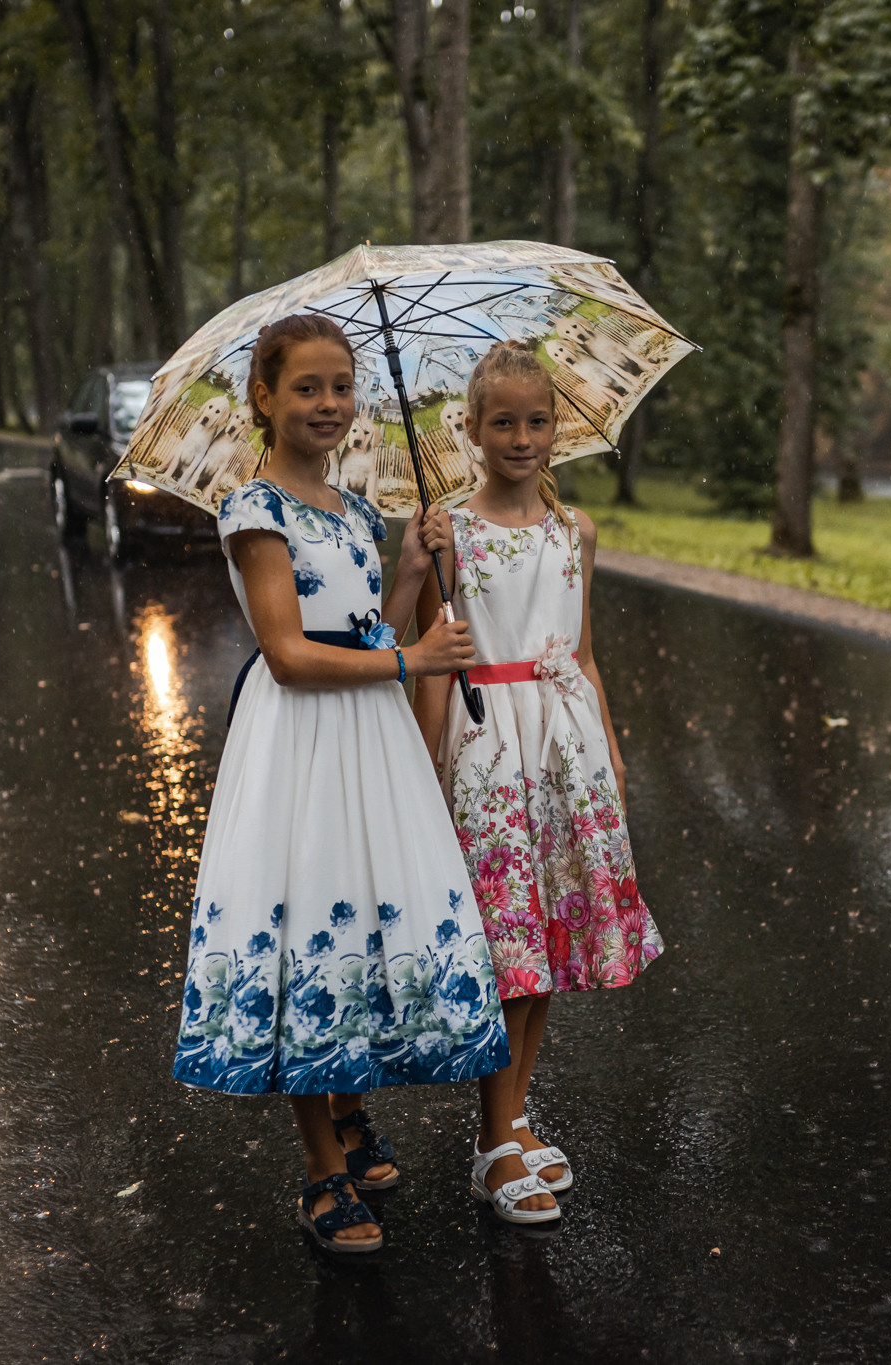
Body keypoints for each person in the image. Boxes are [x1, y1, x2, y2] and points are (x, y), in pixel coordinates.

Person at [173, 314, 509, 1253]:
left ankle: (351, 1115)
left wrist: (404, 577)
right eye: (307, 388)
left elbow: (364, 627)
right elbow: (288, 653)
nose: (329, 404)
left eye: (341, 386)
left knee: (360, 912)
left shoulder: (358, 511)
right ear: (265, 399)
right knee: (304, 928)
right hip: (299, 740)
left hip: (368, 736)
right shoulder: (255, 510)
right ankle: (321, 1167)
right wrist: (414, 658)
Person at [411, 338, 664, 1226]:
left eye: (538, 419)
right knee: (504, 949)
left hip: (565, 749)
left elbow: (584, 653)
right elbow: (434, 666)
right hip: (487, 749)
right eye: (503, 421)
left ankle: (514, 1111)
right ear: (471, 429)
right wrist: (428, 773)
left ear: (558, 428)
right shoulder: (451, 532)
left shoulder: (575, 531)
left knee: (549, 939)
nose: (522, 436)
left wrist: (614, 749)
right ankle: (491, 1142)